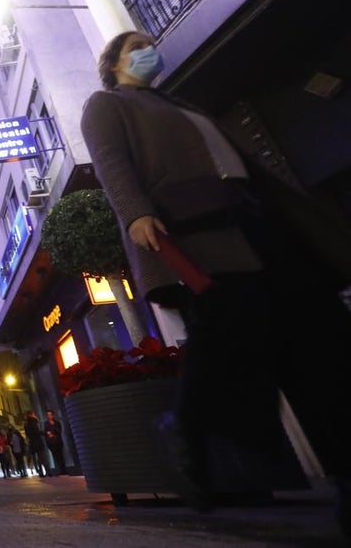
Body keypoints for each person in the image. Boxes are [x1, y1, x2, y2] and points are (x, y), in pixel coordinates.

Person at [81, 31, 351, 526]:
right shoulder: (107, 104)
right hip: (194, 229)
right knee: (231, 327)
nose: (149, 50)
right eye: (135, 46)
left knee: (316, 339)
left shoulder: (179, 103)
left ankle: (342, 470)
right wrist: (136, 213)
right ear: (114, 62)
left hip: (255, 222)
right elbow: (111, 162)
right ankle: (189, 427)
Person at [43, 410, 66, 476]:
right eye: (48, 415)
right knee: (55, 456)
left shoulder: (57, 423)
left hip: (57, 441)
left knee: (60, 455)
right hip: (51, 442)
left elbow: (59, 431)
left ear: (53, 415)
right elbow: (44, 432)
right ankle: (59, 469)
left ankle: (63, 469)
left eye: (50, 415)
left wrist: (53, 429)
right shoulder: (46, 423)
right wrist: (47, 433)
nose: (49, 416)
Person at [24, 411, 46, 477]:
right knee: (41, 456)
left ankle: (38, 470)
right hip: (37, 440)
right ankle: (45, 471)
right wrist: (44, 433)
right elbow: (36, 431)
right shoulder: (33, 421)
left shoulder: (26, 423)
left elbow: (27, 433)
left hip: (32, 441)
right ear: (32, 415)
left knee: (35, 457)